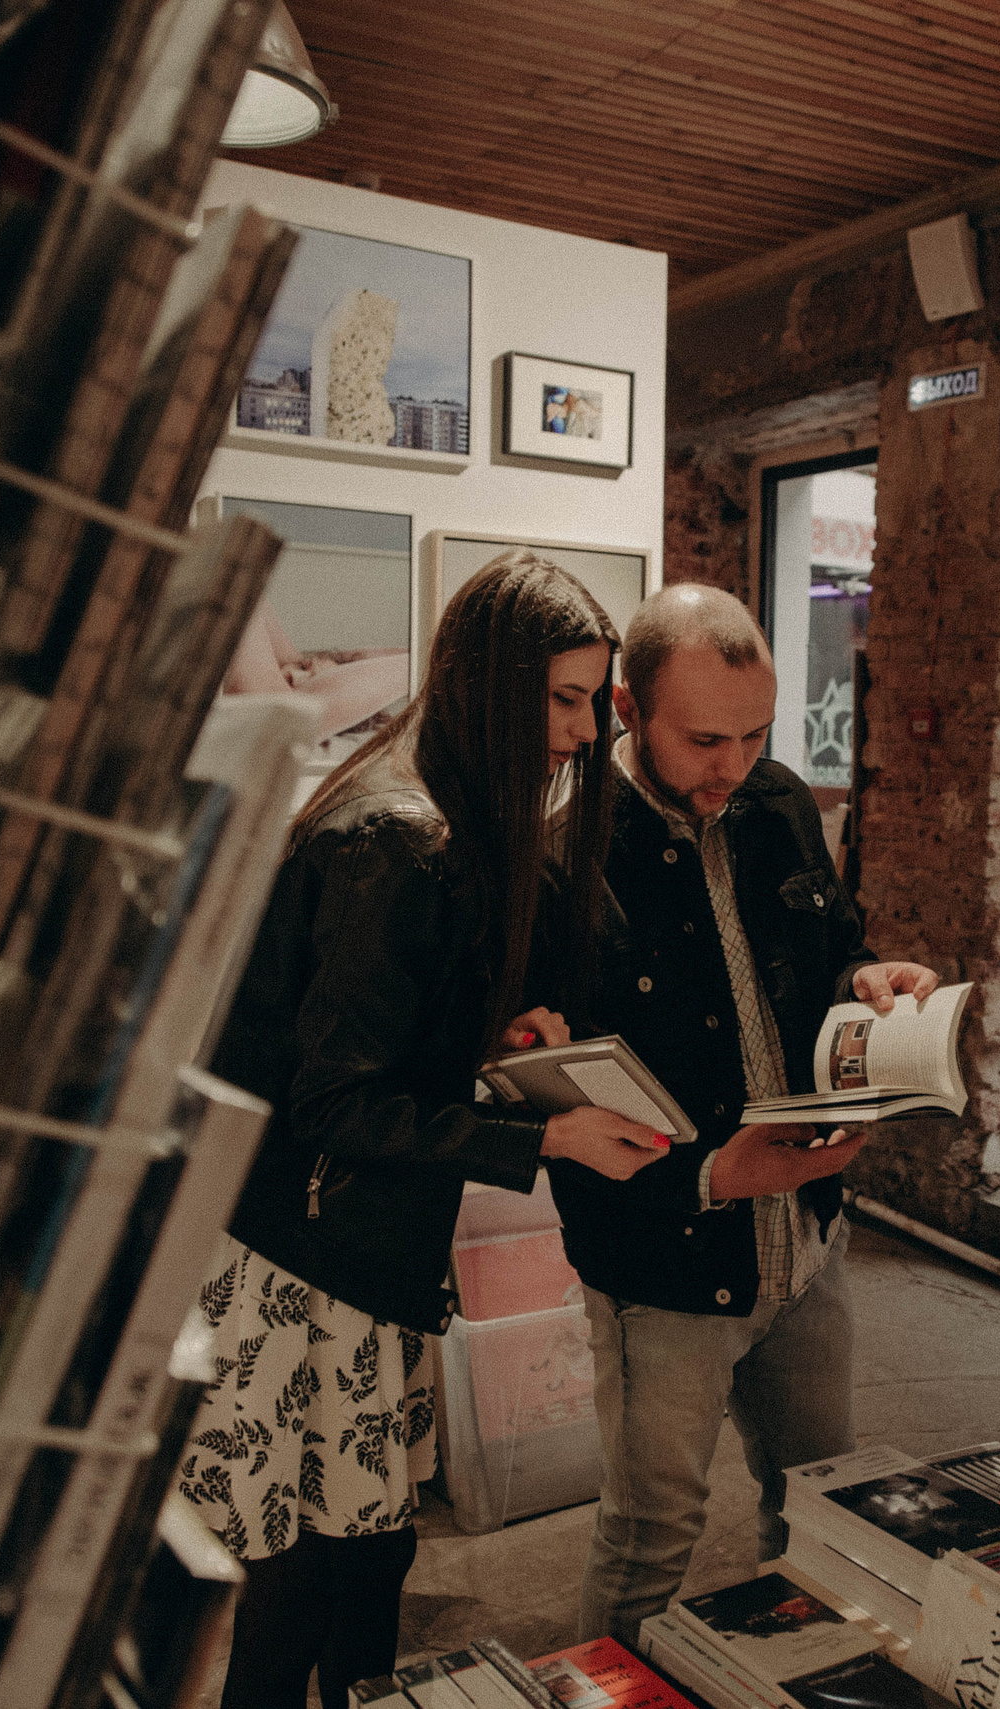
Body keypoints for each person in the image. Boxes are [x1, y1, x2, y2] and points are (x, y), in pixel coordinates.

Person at [178, 551, 671, 1709]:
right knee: (303, 1582)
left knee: (365, 1563)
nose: (584, 731)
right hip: (305, 1265)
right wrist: (540, 1138)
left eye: (596, 700)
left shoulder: (438, 813)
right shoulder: (394, 840)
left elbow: (382, 1053)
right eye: (561, 697)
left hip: (358, 1256)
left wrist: (501, 1048)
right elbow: (334, 1103)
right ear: (490, 685)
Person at [548, 584, 941, 1646]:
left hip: (806, 1241)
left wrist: (871, 977)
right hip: (665, 1262)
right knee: (650, 1535)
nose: (733, 761)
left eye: (755, 732)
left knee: (820, 1505)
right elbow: (559, 1101)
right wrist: (712, 1176)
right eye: (704, 737)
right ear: (627, 708)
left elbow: (830, 955)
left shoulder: (777, 804)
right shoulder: (565, 849)